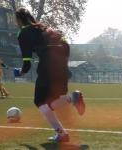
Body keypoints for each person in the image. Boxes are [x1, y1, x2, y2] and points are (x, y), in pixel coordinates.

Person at [14, 8, 86, 142]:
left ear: (19, 20)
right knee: (51, 102)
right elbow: (65, 44)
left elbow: (27, 64)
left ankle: (71, 101)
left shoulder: (23, 33)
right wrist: (63, 65)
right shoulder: (46, 28)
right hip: (61, 63)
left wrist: (20, 72)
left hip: (48, 66)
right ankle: (62, 132)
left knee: (40, 102)